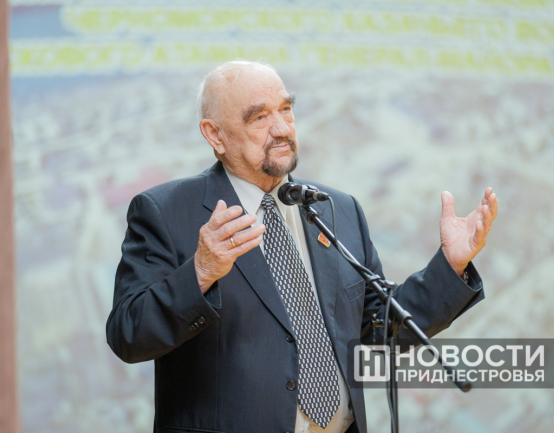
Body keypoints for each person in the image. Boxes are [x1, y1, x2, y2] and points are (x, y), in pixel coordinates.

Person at [106, 61, 498, 433]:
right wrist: (200, 273)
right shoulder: (166, 211)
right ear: (215, 135)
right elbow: (128, 334)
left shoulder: (337, 209)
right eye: (259, 117)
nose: (281, 128)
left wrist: (449, 266)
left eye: (286, 109)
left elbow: (376, 329)